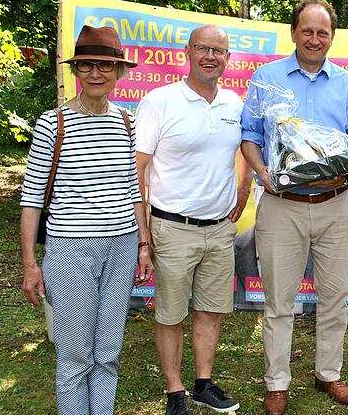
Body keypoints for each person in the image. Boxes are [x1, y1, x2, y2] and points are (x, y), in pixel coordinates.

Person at [240, 0, 348, 415]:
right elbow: (249, 137)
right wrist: (262, 173)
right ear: (293, 32)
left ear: (332, 36)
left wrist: (343, 174)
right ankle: (277, 382)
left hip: (335, 204)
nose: (315, 39)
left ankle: (328, 373)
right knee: (280, 300)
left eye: (323, 32)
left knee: (335, 296)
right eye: (307, 31)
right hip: (282, 205)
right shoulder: (266, 78)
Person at [20, 25, 153, 415]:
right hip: (70, 251)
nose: (96, 73)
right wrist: (30, 264)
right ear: (76, 70)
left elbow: (133, 191)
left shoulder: (126, 122)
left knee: (108, 353)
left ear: (119, 72)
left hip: (122, 247)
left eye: (106, 65)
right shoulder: (52, 123)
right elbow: (30, 200)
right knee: (75, 357)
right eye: (87, 65)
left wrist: (143, 246)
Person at [135, 25, 250, 415]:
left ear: (227, 58)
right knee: (170, 313)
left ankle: (203, 384)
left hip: (218, 229)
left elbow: (245, 150)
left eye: (219, 51)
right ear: (188, 51)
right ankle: (175, 391)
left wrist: (245, 188)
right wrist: (144, 235)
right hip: (172, 228)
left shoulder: (234, 104)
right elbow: (138, 172)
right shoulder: (159, 102)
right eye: (203, 48)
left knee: (210, 310)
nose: (211, 57)